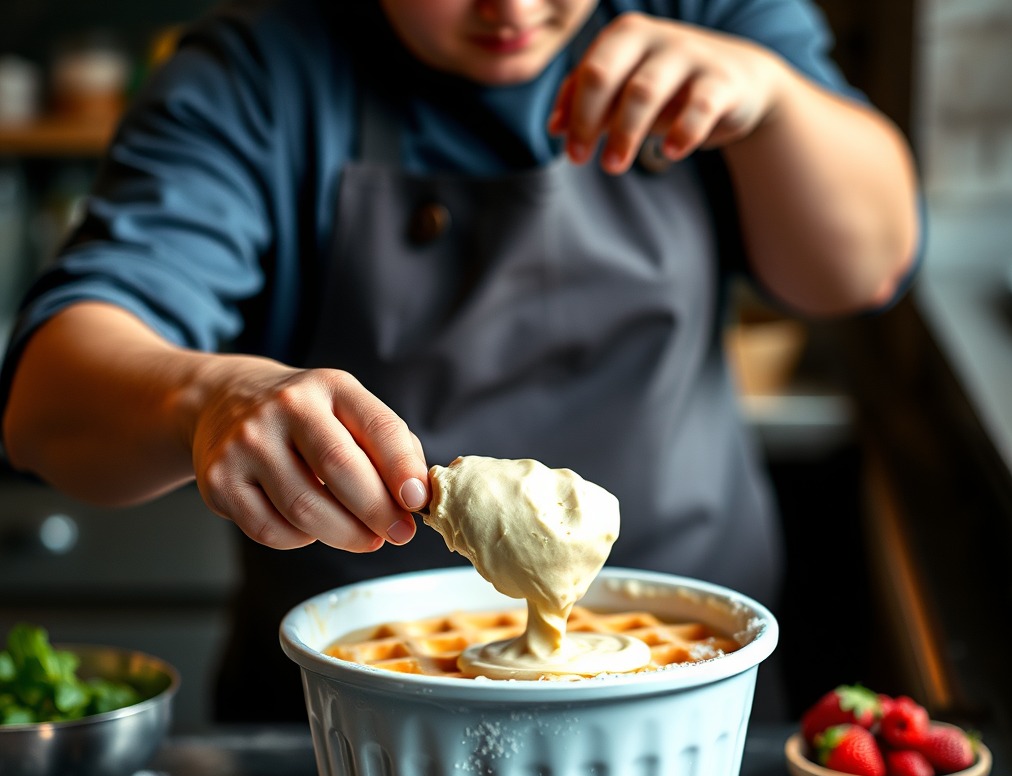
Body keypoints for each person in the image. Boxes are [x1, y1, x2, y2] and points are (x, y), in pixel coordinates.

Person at [0, 0, 920, 722]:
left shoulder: (705, 10)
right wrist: (204, 396)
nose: (512, 6)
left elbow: (866, 266)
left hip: (694, 702)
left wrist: (772, 101)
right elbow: (45, 403)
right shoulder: (257, 74)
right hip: (355, 727)